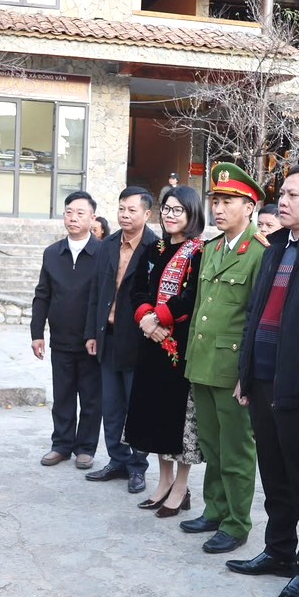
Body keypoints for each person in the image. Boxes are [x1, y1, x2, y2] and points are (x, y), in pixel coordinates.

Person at [227, 164, 299, 597]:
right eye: (283, 194)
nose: (283, 202)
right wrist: (246, 370)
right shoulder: (275, 246)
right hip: (263, 378)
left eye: (294, 195)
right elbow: (255, 314)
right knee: (273, 474)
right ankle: (278, 551)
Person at [179, 162, 269, 554]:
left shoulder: (260, 252)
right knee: (212, 445)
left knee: (235, 450)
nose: (218, 208)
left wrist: (247, 373)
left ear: (249, 207)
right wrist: (190, 359)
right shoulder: (212, 248)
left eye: (228, 201)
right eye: (215, 200)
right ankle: (214, 510)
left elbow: (257, 318)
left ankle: (236, 522)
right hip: (203, 363)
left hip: (231, 369)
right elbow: (202, 307)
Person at [125, 186, 206, 517]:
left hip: (180, 347)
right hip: (151, 344)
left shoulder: (198, 252)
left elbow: (192, 297)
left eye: (178, 210)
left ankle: (181, 487)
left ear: (192, 213)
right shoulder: (154, 249)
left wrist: (159, 318)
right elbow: (137, 290)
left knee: (177, 420)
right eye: (167, 209)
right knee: (154, 415)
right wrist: (147, 320)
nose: (170, 215)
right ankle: (163, 482)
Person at [85, 187, 159, 492]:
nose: (125, 215)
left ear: (147, 214)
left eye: (132, 210)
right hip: (109, 336)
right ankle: (117, 459)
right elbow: (96, 292)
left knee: (136, 407)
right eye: (121, 209)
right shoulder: (108, 244)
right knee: (112, 405)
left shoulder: (156, 247)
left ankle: (137, 467)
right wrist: (92, 333)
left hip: (139, 340)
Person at [32, 191, 103, 471]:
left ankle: (85, 448)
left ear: (93, 218)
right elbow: (42, 295)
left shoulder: (103, 253)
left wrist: (96, 334)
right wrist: (37, 333)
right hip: (60, 339)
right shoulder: (52, 253)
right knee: (62, 395)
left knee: (90, 398)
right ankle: (61, 445)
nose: (73, 218)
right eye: (69, 212)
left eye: (80, 213)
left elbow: (104, 298)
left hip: (91, 341)